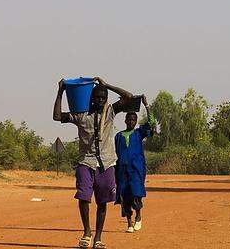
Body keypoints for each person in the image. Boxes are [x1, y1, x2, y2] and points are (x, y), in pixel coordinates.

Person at [53, 77, 134, 249]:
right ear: (91, 98)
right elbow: (57, 116)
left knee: (102, 202)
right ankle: (87, 232)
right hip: (86, 162)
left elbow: (128, 96)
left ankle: (98, 237)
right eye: (97, 97)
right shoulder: (81, 116)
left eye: (103, 98)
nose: (101, 100)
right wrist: (61, 92)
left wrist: (107, 85)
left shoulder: (111, 112)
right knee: (83, 197)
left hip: (107, 163)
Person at [114, 96, 157, 233]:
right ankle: (129, 223)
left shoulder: (139, 133)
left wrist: (146, 105)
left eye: (134, 120)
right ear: (125, 121)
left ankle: (138, 216)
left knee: (136, 193)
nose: (131, 122)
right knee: (125, 196)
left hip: (136, 169)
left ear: (136, 121)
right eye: (129, 119)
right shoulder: (118, 136)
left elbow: (151, 123)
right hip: (122, 170)